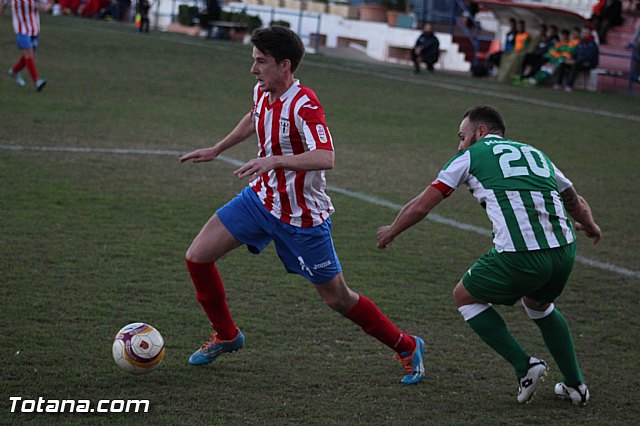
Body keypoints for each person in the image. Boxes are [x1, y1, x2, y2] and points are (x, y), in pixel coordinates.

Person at [179, 26, 426, 385]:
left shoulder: (304, 103)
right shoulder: (262, 89)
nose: (253, 69)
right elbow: (254, 117)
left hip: (302, 218)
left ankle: (406, 345)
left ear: (285, 65)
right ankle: (228, 336)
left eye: (261, 62)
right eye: (253, 61)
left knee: (337, 299)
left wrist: (276, 160)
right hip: (260, 200)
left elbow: (326, 156)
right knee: (197, 256)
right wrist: (218, 148)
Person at [376, 105, 601, 405]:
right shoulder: (537, 154)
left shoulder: (470, 156)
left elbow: (422, 204)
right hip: (565, 251)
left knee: (464, 296)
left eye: (462, 135)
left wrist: (392, 230)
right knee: (539, 305)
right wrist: (590, 226)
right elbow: (574, 200)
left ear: (480, 132)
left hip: (520, 254)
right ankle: (576, 386)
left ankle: (525, 366)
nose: (459, 143)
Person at [7, 0, 46, 91]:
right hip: (21, 29)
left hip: (34, 28)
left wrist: (48, 5)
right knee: (29, 53)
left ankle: (14, 71)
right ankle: (37, 81)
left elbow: (43, 7)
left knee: (30, 55)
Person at [555, 26, 599, 92]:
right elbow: (574, 53)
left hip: (588, 63)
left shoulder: (592, 44)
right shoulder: (581, 42)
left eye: (586, 33)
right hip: (577, 61)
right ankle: (558, 84)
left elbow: (588, 57)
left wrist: (575, 61)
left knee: (575, 65)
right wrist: (570, 59)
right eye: (583, 32)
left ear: (589, 34)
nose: (584, 34)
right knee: (563, 63)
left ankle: (569, 86)